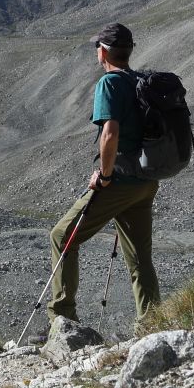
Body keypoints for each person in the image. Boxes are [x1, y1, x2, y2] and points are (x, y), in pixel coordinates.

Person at [46, 22, 162, 323]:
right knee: (139, 258)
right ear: (130, 50)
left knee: (62, 236)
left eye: (98, 47)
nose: (97, 52)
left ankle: (62, 318)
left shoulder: (109, 84)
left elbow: (109, 133)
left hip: (120, 180)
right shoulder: (141, 80)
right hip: (146, 181)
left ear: (104, 52)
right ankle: (152, 322)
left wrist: (105, 175)